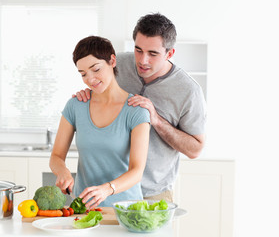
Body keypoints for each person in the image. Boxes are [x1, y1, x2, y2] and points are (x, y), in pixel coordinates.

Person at [74, 13, 207, 202]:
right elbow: (93, 81)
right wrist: (86, 94)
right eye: (138, 50)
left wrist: (157, 120)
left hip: (152, 194)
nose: (143, 60)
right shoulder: (116, 64)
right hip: (108, 191)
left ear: (170, 54)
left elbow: (195, 149)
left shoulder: (189, 91)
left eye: (153, 54)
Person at [49, 36, 150, 208]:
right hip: (85, 207)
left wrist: (107, 189)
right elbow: (56, 156)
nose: (90, 79)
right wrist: (63, 172)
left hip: (126, 209)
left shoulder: (136, 110)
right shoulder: (76, 106)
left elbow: (136, 171)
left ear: (112, 60)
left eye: (95, 69)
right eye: (83, 74)